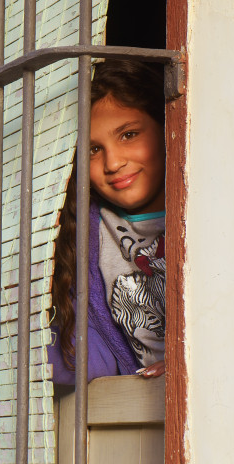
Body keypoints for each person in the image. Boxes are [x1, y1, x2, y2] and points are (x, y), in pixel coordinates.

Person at [49, 59, 167, 384]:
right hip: (138, 412)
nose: (113, 163)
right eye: (93, 149)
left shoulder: (208, 212)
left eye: (129, 134)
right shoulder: (85, 232)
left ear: (166, 125)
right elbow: (90, 356)